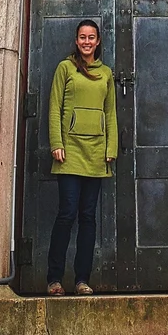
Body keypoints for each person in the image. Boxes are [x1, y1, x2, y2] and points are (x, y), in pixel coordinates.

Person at [45, 19, 117, 296]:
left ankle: (82, 280)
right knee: (67, 214)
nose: (87, 42)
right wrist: (56, 143)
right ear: (76, 41)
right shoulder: (65, 69)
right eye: (82, 37)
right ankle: (54, 279)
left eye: (91, 38)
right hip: (69, 152)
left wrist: (111, 148)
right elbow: (55, 107)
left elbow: (109, 113)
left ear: (98, 42)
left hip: (97, 153)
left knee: (88, 217)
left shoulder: (107, 74)